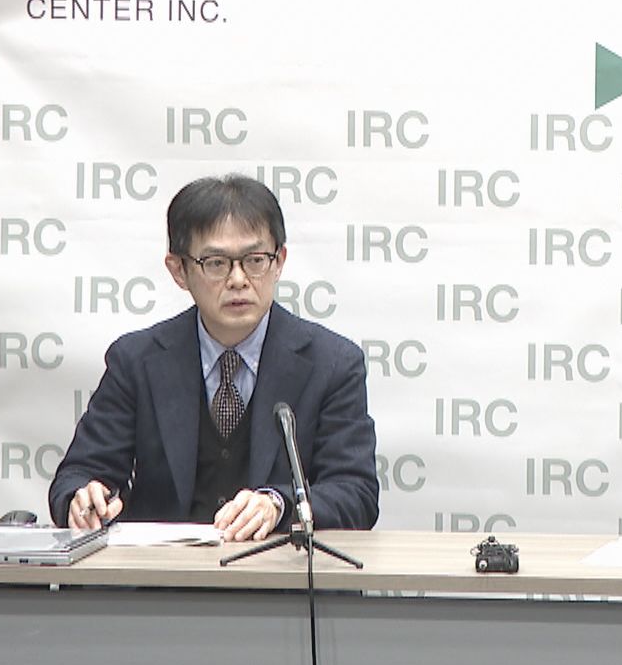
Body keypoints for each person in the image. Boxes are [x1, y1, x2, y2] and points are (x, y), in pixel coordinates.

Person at [48, 174, 379, 540]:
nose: (238, 280)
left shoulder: (332, 364)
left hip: (278, 571)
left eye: (255, 260)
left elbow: (356, 494)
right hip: (161, 571)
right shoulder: (136, 361)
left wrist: (279, 505)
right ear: (179, 270)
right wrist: (84, 500)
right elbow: (78, 475)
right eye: (216, 263)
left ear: (279, 261)